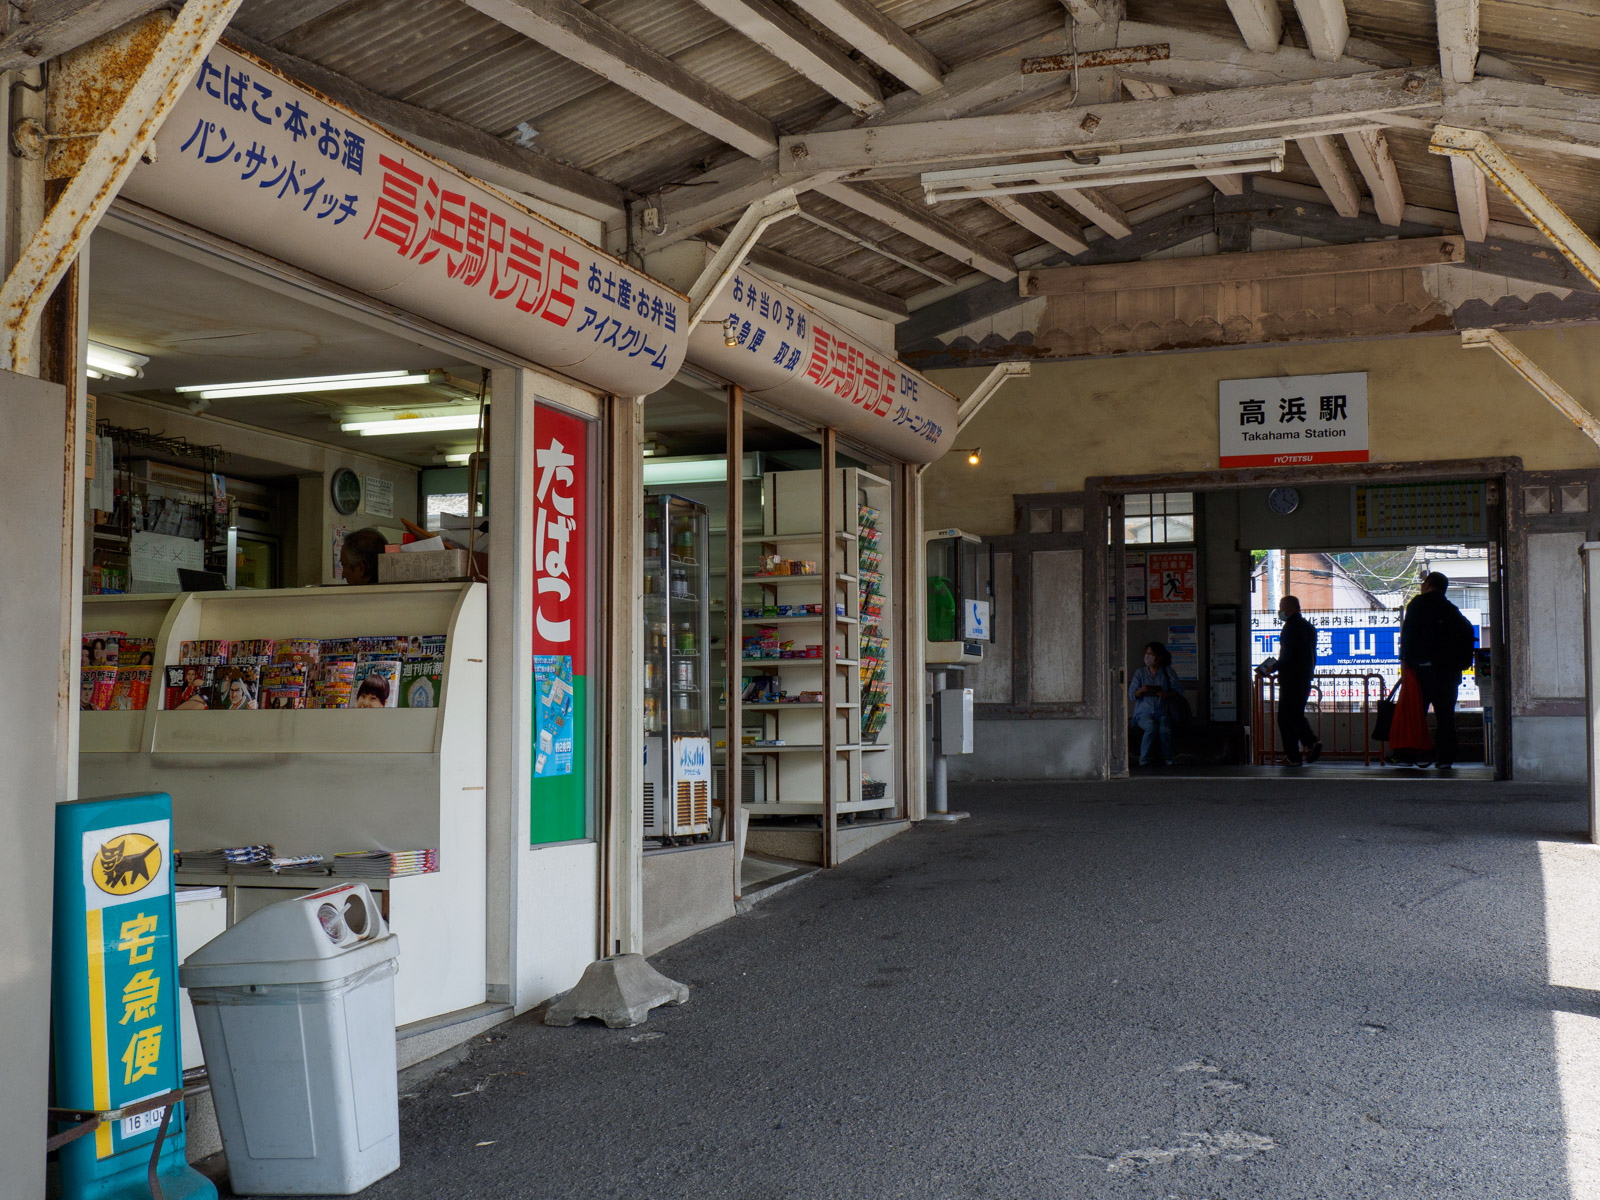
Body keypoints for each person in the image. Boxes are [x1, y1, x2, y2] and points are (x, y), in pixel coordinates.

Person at [1400, 571, 1477, 769]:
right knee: (1445, 717)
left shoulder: (1417, 605)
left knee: (1416, 714)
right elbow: (1468, 631)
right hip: (1448, 674)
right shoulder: (1450, 609)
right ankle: (1445, 758)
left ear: (1428, 584)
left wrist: (1405, 662)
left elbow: (1408, 636)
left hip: (1421, 672)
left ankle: (1410, 755)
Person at [1257, 594, 1322, 766]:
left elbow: (1288, 656)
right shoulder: (1309, 627)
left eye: (1282, 607)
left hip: (1291, 679)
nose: (1280, 611)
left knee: (1285, 718)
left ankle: (1295, 755)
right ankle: (1310, 744)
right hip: (1305, 677)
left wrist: (1273, 667)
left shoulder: (1290, 628)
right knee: (1295, 715)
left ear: (1291, 608)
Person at [1129, 641, 1182, 767]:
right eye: (1147, 653)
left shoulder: (1167, 672)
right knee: (1150, 727)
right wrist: (1142, 690)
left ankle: (1168, 758)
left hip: (1162, 711)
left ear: (1159, 657)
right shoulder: (1140, 673)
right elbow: (1132, 695)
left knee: (1164, 729)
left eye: (1151, 654)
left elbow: (1179, 690)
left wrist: (1166, 694)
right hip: (1143, 713)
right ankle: (1144, 758)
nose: (1148, 657)